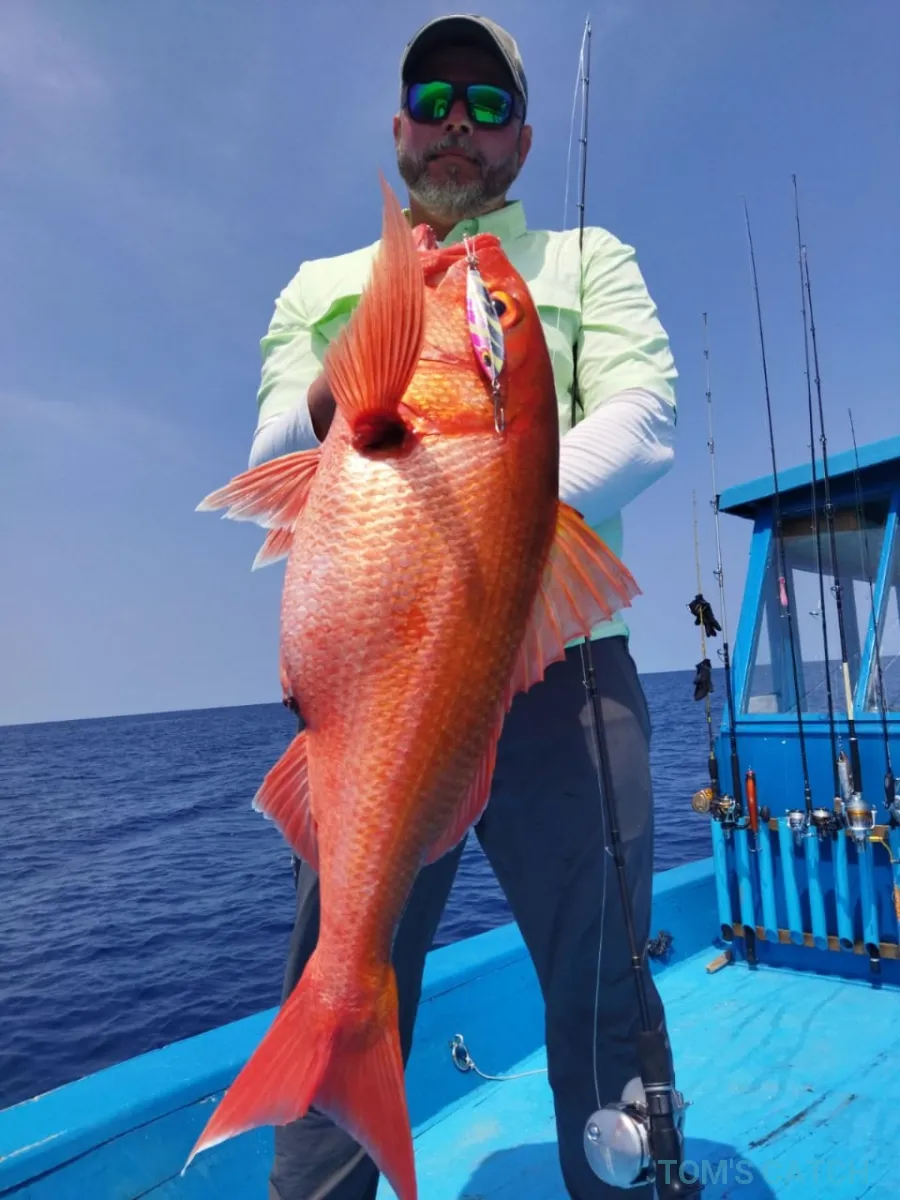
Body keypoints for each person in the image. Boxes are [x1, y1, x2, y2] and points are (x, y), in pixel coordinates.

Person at [250, 15, 679, 1200]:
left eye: (488, 107)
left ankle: (625, 1179)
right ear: (398, 126)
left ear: (523, 143)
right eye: (434, 99)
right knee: (341, 954)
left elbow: (644, 420)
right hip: (377, 680)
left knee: (603, 974)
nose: (457, 122)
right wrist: (374, 357)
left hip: (566, 669)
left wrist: (494, 518)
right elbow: (275, 447)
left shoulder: (586, 260)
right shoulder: (321, 287)